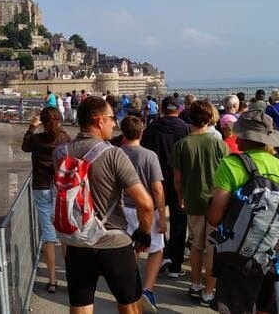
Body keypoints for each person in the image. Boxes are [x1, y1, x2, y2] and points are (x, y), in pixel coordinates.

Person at [54, 96, 154, 314]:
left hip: (78, 242)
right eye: (111, 118)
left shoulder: (60, 153)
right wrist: (144, 233)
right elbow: (145, 204)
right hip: (113, 242)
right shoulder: (114, 154)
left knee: (80, 307)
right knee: (130, 306)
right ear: (99, 121)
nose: (114, 123)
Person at [207, 109, 279, 314]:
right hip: (274, 257)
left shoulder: (230, 165)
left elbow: (214, 217)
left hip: (237, 258)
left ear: (244, 137)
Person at [172, 99, 229, 306]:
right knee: (213, 248)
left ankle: (195, 284)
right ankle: (209, 291)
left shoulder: (181, 145)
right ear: (210, 118)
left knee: (196, 245)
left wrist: (180, 197)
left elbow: (177, 179)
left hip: (193, 200)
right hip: (216, 202)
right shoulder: (219, 143)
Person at [22, 107, 71, 294]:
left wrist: (32, 127)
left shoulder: (36, 139)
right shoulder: (64, 138)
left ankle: (52, 281)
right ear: (59, 120)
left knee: (48, 237)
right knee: (64, 234)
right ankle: (71, 277)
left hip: (41, 187)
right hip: (60, 188)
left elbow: (25, 146)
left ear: (42, 121)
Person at [120, 116, 167, 312]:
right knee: (156, 249)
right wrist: (162, 217)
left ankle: (131, 288)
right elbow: (157, 188)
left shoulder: (116, 153)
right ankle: (147, 289)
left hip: (122, 208)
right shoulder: (149, 156)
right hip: (146, 208)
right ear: (142, 132)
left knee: (129, 250)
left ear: (123, 132)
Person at [141, 96, 190, 279]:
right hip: (179, 180)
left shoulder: (152, 128)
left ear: (162, 109)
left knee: (157, 220)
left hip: (156, 180)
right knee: (179, 222)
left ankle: (162, 254)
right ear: (178, 109)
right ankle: (176, 265)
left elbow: (145, 151)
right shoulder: (185, 129)